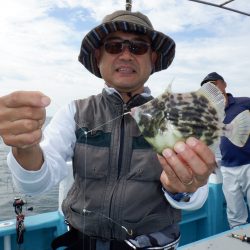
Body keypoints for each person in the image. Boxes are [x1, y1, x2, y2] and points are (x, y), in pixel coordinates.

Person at [0, 9, 216, 250]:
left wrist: (183, 188)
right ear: (98, 56)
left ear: (153, 58)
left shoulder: (175, 113)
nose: (125, 55)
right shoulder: (74, 112)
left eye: (138, 47)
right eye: (114, 46)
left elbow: (197, 197)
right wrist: (25, 147)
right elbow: (36, 185)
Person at [201, 72, 250, 229]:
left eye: (214, 84)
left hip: (249, 164)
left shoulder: (245, 103)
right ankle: (238, 238)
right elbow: (208, 140)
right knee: (234, 213)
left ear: (224, 84)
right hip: (227, 167)